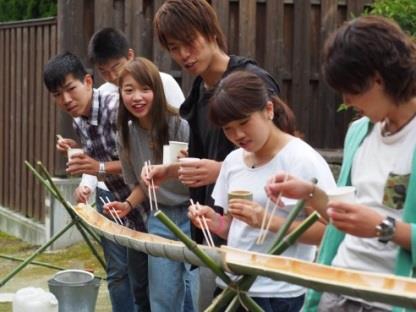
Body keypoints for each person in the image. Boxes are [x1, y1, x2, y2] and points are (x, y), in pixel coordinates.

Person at [265, 16, 416, 312]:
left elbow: (373, 224)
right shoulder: (359, 133)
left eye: (351, 90)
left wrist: (384, 228)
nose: (346, 100)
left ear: (378, 78)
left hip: (394, 298)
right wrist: (309, 194)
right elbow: (343, 223)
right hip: (339, 288)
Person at [188, 70, 336, 312]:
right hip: (233, 284)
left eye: (244, 122)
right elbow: (236, 229)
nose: (238, 135)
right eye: (228, 129)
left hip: (282, 293)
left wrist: (267, 220)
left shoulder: (302, 160)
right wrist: (215, 222)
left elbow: (328, 232)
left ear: (268, 110)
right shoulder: (233, 161)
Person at [151, 0, 281, 245]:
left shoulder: (252, 81)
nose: (184, 55)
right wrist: (170, 171)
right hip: (214, 228)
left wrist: (220, 170)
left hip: (259, 232)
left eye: (190, 42)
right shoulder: (198, 91)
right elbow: (210, 156)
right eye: (174, 48)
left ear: (211, 32)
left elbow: (280, 155)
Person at [43, 52, 149, 312]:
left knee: (156, 284)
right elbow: (104, 158)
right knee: (125, 277)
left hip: (149, 203)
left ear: (88, 81)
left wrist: (96, 167)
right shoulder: (79, 119)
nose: (66, 100)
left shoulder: (116, 108)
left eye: (71, 89)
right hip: (120, 204)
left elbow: (144, 163)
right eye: (57, 95)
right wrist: (81, 156)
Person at [103, 57, 199, 312]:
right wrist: (126, 204)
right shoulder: (125, 134)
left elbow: (199, 175)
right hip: (160, 218)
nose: (137, 97)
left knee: (195, 292)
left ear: (157, 90)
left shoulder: (181, 125)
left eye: (145, 89)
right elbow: (140, 186)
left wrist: (176, 168)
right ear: (120, 94)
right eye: (129, 90)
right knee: (162, 297)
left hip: (195, 214)